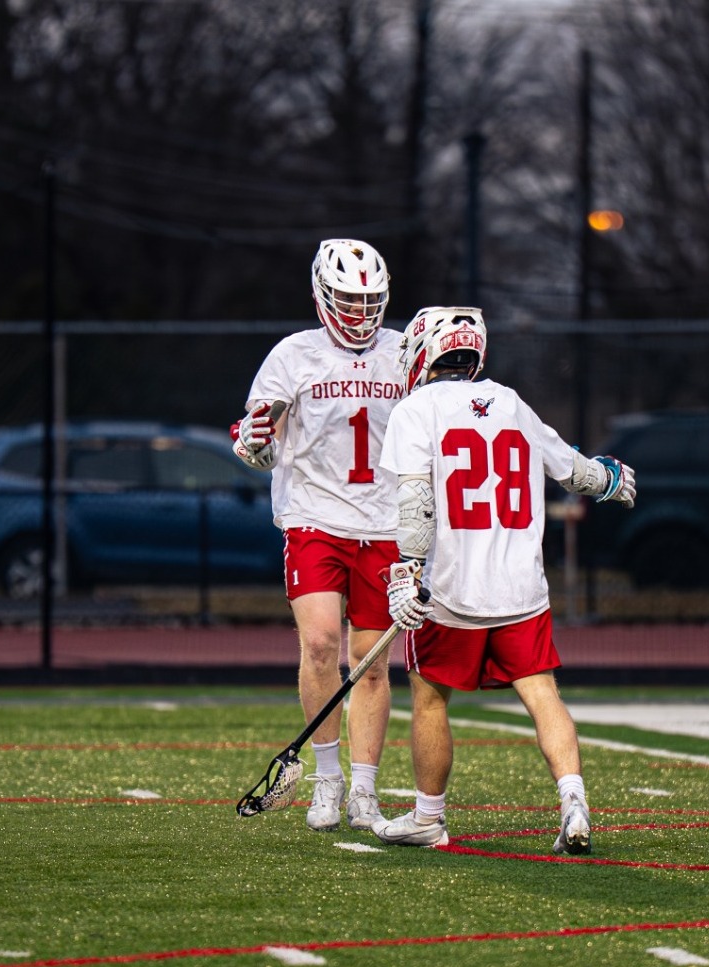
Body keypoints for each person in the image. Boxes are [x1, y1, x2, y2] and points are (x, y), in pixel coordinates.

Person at [370, 306, 637, 853]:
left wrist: (408, 570)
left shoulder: (416, 410)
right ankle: (574, 801)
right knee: (542, 693)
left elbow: (417, 501)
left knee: (430, 700)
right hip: (521, 590)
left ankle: (428, 816)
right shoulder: (513, 403)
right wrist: (610, 480)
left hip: (450, 589)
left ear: (425, 352)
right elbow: (574, 470)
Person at [230, 239, 407, 832]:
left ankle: (364, 788)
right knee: (322, 645)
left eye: (368, 302)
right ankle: (326, 781)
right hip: (315, 518)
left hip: (385, 523)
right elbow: (258, 436)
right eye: (347, 301)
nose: (359, 314)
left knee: (374, 664)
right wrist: (254, 444)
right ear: (320, 296)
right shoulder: (293, 355)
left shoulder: (404, 350)